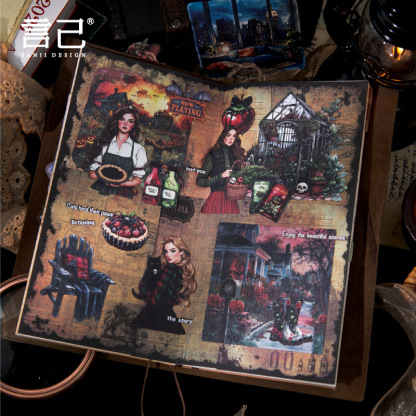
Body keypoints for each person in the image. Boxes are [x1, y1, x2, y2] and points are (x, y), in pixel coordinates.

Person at [131, 236, 196, 334]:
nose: (168, 254)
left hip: (155, 314)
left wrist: (146, 291)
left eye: (172, 251)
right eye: (166, 251)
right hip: (165, 315)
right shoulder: (182, 271)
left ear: (182, 252)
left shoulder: (170, 268)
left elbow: (155, 298)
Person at [86, 105, 147, 199]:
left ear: (134, 125)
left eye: (130, 121)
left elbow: (138, 180)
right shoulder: (104, 144)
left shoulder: (138, 149)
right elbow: (91, 175)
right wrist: (103, 177)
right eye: (122, 119)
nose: (125, 124)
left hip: (121, 194)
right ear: (116, 121)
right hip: (99, 189)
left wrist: (122, 183)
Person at [196, 126, 245, 214]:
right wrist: (221, 176)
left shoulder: (236, 156)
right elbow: (199, 181)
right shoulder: (213, 155)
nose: (231, 139)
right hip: (216, 199)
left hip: (231, 201)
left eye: (234, 136)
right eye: (228, 135)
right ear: (223, 137)